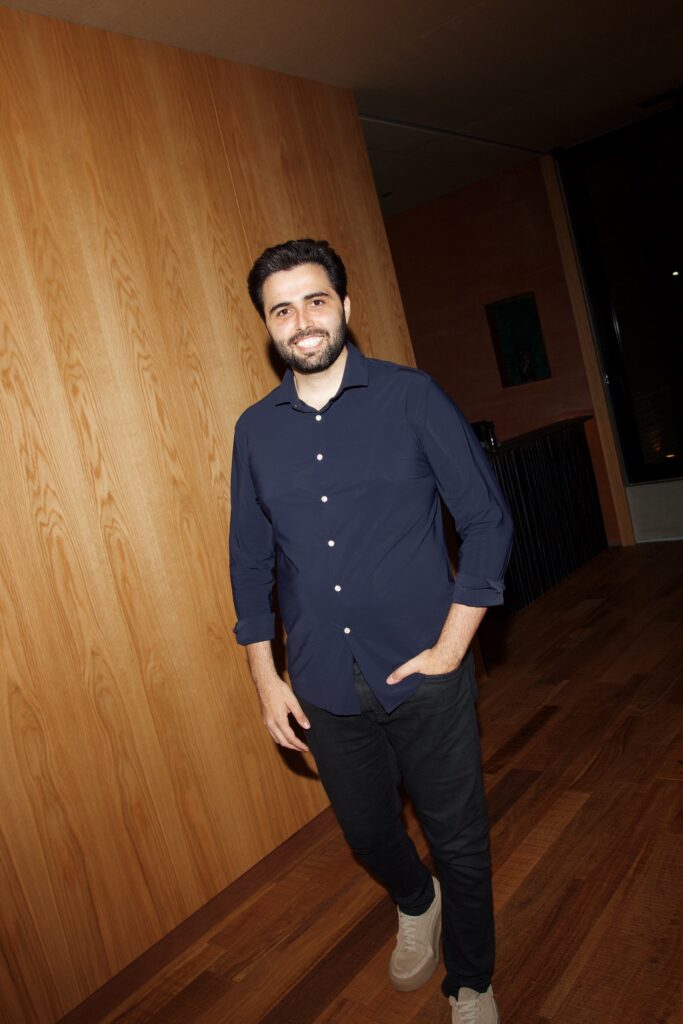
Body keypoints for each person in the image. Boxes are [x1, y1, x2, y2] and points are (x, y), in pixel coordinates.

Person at [230, 239, 513, 1024]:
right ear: (267, 326)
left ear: (345, 307)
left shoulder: (411, 397)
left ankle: (471, 982)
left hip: (425, 668)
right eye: (281, 309)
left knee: (458, 839)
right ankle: (414, 900)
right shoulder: (254, 431)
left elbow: (486, 521)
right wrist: (266, 679)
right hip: (323, 680)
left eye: (315, 300)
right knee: (365, 832)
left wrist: (452, 647)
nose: (301, 321)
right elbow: (249, 562)